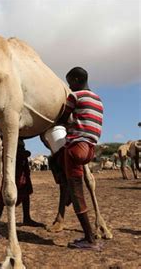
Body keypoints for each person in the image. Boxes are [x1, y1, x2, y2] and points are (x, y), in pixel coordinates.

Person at [58, 66, 103, 250]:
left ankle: (89, 239)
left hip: (76, 147)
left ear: (76, 80)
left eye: (70, 83)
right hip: (90, 148)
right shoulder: (98, 99)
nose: (70, 87)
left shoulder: (75, 96)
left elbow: (62, 117)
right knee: (76, 186)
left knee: (77, 192)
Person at [0, 139, 44, 239]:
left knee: (25, 186)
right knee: (6, 188)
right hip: (10, 151)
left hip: (20, 149)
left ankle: (27, 218)